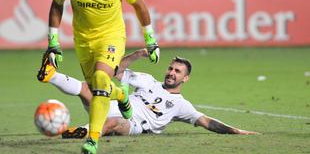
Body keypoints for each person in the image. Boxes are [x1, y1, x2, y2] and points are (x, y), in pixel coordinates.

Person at [37, 0, 160, 153]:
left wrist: (150, 40)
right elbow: (57, 6)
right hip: (84, 42)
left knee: (101, 78)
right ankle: (120, 94)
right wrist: (53, 42)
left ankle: (93, 140)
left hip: (111, 37)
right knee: (97, 88)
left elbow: (139, 5)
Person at [41, 49, 259, 138]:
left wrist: (237, 131)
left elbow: (207, 122)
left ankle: (79, 132)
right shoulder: (147, 81)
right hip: (116, 105)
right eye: (171, 69)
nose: (171, 73)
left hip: (134, 124)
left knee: (114, 122)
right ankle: (50, 74)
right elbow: (117, 71)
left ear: (185, 79)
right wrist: (137, 54)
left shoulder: (181, 105)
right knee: (89, 87)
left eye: (177, 71)